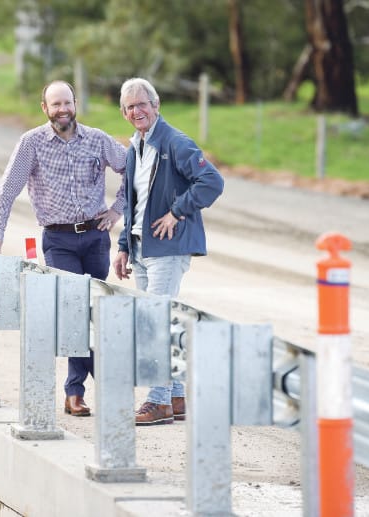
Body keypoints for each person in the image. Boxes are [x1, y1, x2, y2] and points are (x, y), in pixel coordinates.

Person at [0, 80, 127, 417]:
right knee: (74, 308)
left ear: (75, 103)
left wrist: (118, 210)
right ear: (44, 108)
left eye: (67, 103)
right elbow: (6, 192)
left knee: (91, 312)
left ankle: (77, 390)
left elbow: (131, 170)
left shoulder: (97, 140)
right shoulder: (31, 143)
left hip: (95, 237)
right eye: (55, 104)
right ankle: (88, 388)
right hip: (58, 240)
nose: (63, 109)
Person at [112, 77, 224, 426]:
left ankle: (157, 401)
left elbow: (212, 182)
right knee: (159, 321)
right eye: (130, 107)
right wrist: (122, 245)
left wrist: (177, 211)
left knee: (153, 324)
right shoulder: (135, 147)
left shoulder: (174, 142)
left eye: (142, 104)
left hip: (168, 248)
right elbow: (132, 201)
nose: (136, 111)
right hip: (141, 246)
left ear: (156, 105)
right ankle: (176, 396)